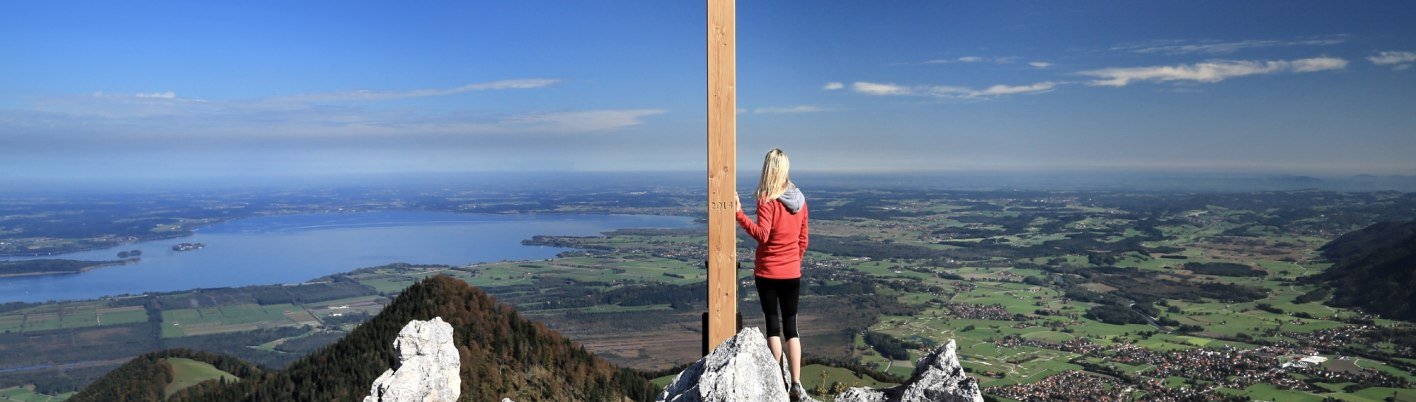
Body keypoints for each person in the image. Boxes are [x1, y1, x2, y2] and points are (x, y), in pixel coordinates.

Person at [735, 148, 809, 400]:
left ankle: (777, 379)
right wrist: (792, 262)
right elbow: (803, 239)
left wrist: (739, 215)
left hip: (767, 272)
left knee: (773, 326)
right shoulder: (799, 199)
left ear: (768, 168)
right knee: (792, 327)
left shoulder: (766, 198)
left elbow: (763, 235)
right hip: (792, 272)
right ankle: (796, 383)